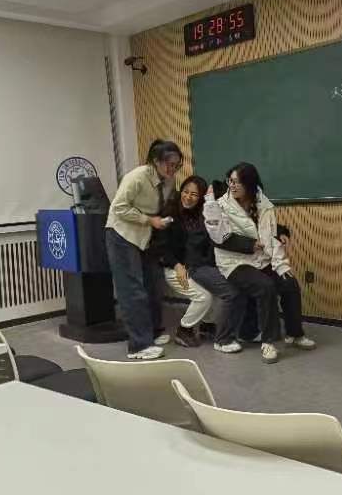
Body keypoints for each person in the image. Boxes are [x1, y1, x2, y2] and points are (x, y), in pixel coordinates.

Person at [204, 162, 315, 363]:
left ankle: (295, 333)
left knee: (289, 283)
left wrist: (282, 234)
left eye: (237, 182)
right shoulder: (220, 206)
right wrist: (251, 245)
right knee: (265, 286)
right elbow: (218, 238)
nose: (232, 185)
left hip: (261, 259)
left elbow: (268, 229)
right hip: (234, 262)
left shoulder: (263, 204)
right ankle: (268, 341)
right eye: (230, 181)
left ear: (250, 183)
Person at [157, 175, 254, 351]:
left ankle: (207, 325)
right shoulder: (170, 213)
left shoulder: (202, 214)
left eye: (194, 194)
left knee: (218, 290)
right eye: (185, 192)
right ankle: (184, 330)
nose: (188, 197)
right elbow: (162, 247)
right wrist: (177, 266)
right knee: (203, 296)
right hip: (174, 267)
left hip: (194, 265)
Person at [105, 140, 182, 360]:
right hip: (122, 235)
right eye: (169, 164)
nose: (173, 169)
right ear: (155, 161)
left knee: (152, 284)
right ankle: (138, 346)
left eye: (177, 165)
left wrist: (161, 220)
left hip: (145, 237)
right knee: (132, 290)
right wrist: (149, 220)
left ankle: (152, 332)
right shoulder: (137, 177)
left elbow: (161, 205)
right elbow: (118, 208)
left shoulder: (169, 180)